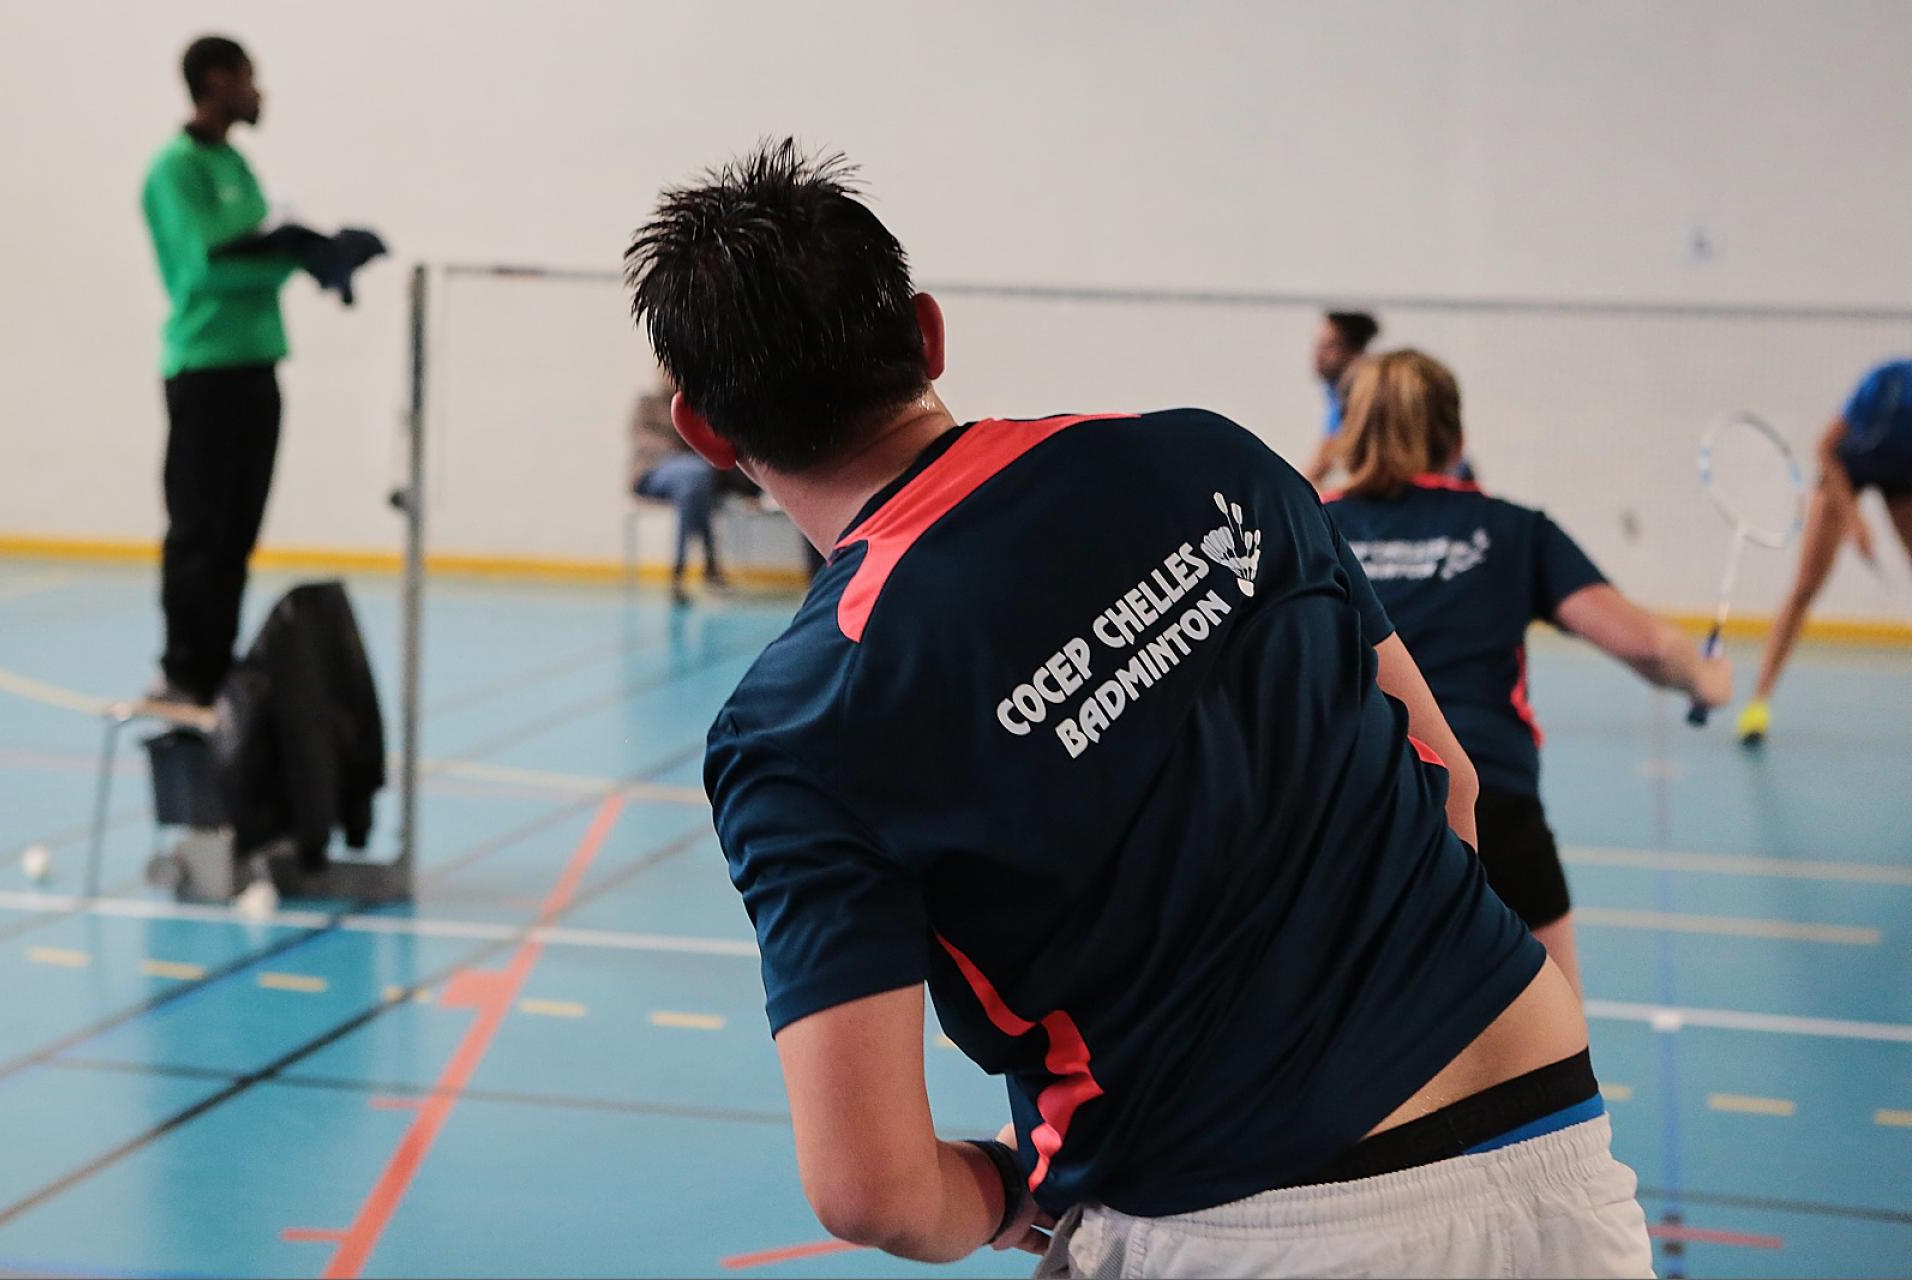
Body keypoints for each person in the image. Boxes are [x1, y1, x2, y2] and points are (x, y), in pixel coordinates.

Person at [626, 140, 1650, 1277]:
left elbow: (871, 1190)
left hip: (1251, 1223)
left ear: (706, 432)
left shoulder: (800, 720)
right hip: (1555, 1139)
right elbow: (1447, 777)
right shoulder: (1212, 458)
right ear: (926, 332)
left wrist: (1007, 1196)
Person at [1324, 350, 1732, 993]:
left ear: (1349, 434)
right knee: (1556, 1039)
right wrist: (1706, 680)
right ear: (1458, 441)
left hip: (1349, 814)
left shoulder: (1310, 530)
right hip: (1492, 805)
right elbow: (1649, 646)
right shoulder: (1510, 528)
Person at [140, 36, 379, 704]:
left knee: (238, 529)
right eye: (248, 78)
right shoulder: (174, 169)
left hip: (257, 366)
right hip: (205, 366)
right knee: (199, 527)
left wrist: (316, 254)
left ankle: (216, 667)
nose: (258, 92)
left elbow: (258, 249)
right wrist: (290, 254)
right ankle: (183, 669)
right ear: (216, 81)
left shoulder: (237, 163)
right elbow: (206, 268)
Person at [1738, 358, 1912, 744]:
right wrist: (1853, 519)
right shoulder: (1886, 383)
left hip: (1902, 479)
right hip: (1844, 472)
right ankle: (1757, 703)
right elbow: (1824, 448)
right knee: (1805, 587)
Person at [631, 385, 733, 603]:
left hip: (692, 478)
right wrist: (682, 450)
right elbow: (644, 440)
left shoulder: (696, 406)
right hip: (653, 471)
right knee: (696, 475)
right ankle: (710, 564)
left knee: (692, 487)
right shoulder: (648, 403)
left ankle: (679, 571)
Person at [1299, 310, 1379, 487]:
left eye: (1328, 346)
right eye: (1317, 345)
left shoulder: (1359, 388)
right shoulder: (1337, 388)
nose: (1318, 355)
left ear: (1354, 351)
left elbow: (1323, 460)